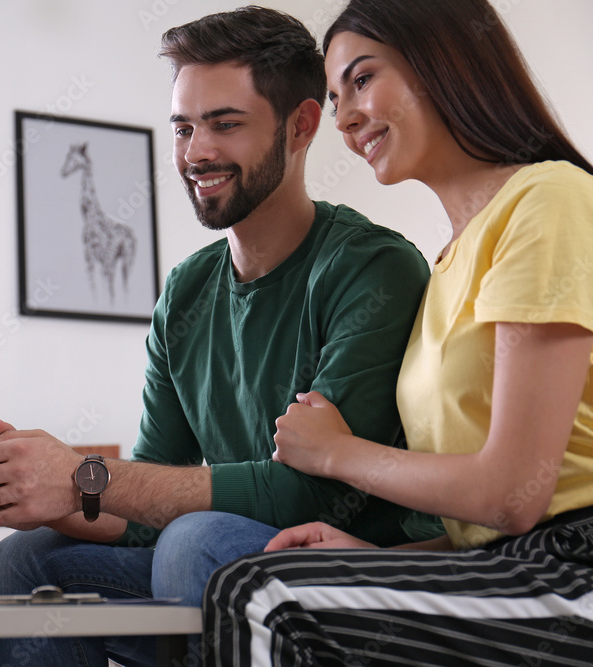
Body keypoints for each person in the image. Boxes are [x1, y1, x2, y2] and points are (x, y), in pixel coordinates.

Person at [0, 7, 435, 666]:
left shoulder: (373, 269)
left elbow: (310, 495)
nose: (196, 153)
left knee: (194, 540)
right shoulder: (185, 291)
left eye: (225, 124)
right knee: (24, 559)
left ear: (301, 125)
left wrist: (81, 476)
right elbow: (143, 498)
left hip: (357, 580)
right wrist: (42, 491)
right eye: (184, 128)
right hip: (217, 565)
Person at [202, 1, 593, 664]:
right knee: (269, 579)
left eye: (362, 79)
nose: (345, 119)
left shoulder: (547, 200)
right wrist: (376, 557)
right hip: (511, 566)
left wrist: (336, 453)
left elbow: (513, 495)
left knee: (262, 596)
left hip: (574, 572)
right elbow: (487, 531)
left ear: (446, 61)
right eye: (335, 99)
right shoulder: (446, 265)